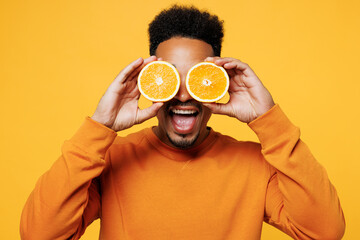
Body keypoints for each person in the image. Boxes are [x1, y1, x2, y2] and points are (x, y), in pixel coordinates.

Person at [20, 5, 345, 240]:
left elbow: (325, 231)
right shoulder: (109, 159)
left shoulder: (256, 165)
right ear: (150, 80)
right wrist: (99, 127)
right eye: (170, 79)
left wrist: (269, 120)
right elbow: (39, 235)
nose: (184, 96)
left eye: (198, 79)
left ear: (217, 81)